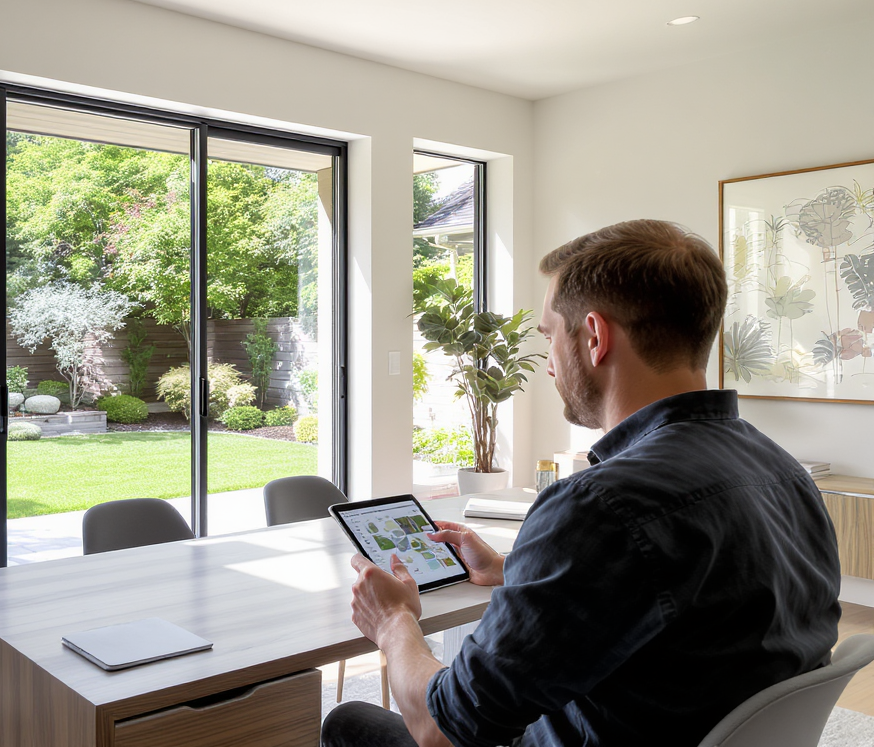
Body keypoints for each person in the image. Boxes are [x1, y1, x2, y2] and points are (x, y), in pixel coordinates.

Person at [322, 219, 842, 747]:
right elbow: (691, 594)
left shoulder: (600, 505)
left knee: (347, 723)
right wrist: (515, 570)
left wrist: (393, 623)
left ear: (594, 337)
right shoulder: (782, 468)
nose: (548, 365)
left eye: (549, 336)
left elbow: (443, 729)